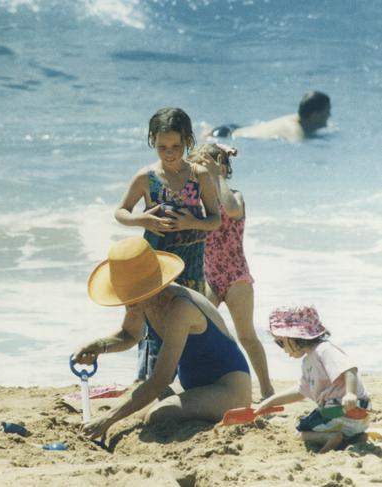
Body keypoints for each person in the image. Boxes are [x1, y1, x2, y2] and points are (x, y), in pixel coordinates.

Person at [72, 236, 251, 442]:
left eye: (132, 294)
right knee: (135, 413)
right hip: (191, 384)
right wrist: (98, 346)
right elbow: (129, 335)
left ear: (150, 287)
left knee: (160, 414)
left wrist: (106, 419)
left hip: (228, 388)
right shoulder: (142, 300)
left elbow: (161, 379)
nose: (127, 302)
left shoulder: (180, 308)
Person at [115, 107, 221, 379]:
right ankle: (150, 380)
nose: (170, 152)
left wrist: (191, 223)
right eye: (162, 147)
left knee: (190, 321)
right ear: (152, 141)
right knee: (155, 320)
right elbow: (121, 212)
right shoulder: (146, 177)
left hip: (191, 263)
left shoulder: (200, 176)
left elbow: (215, 219)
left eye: (176, 145)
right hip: (155, 264)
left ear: (188, 141)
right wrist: (143, 220)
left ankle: (191, 380)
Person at [188, 143, 275, 400]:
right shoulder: (198, 202)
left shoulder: (235, 196)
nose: (202, 172)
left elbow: (233, 210)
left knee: (247, 336)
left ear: (224, 168)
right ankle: (204, 383)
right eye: (198, 169)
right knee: (197, 332)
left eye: (209, 167)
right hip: (208, 276)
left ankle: (267, 388)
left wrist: (217, 177)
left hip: (236, 275)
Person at [255, 306, 371, 453]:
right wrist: (270, 402)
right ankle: (356, 437)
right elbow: (300, 391)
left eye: (280, 343)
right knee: (320, 419)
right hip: (359, 416)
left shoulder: (324, 350)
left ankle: (331, 438)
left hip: (343, 409)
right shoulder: (309, 360)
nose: (282, 349)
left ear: (294, 337)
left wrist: (350, 394)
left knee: (301, 428)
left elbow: (349, 369)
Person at [205, 91, 331, 143]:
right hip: (225, 134)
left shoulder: (298, 119)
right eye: (327, 112)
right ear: (314, 115)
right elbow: (300, 148)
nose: (329, 115)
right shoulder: (295, 129)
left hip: (236, 129)